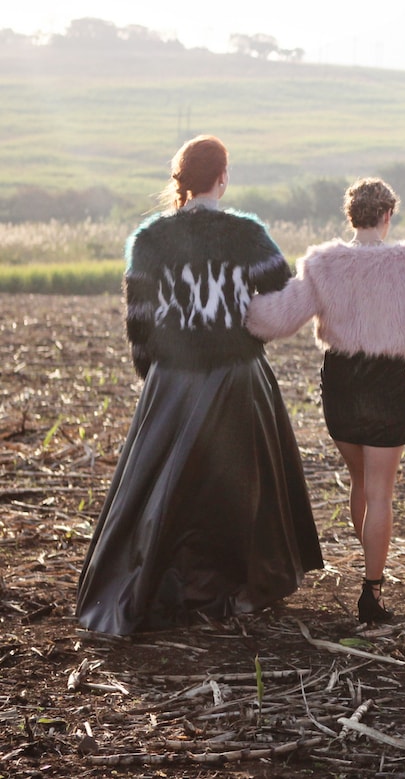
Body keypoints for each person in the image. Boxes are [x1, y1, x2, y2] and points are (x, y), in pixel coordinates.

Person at [76, 135, 323, 636]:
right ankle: (234, 586)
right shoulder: (248, 234)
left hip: (173, 374)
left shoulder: (149, 239)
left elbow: (139, 317)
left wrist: (154, 377)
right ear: (222, 178)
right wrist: (249, 333)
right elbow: (277, 298)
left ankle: (156, 583)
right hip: (237, 373)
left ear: (182, 180)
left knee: (162, 485)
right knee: (238, 486)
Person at [246, 178, 405, 624]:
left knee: (360, 482)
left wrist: (234, 306)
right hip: (386, 382)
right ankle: (371, 592)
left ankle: (367, 565)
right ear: (387, 215)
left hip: (339, 379)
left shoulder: (323, 263)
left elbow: (278, 317)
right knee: (381, 491)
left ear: (350, 215)